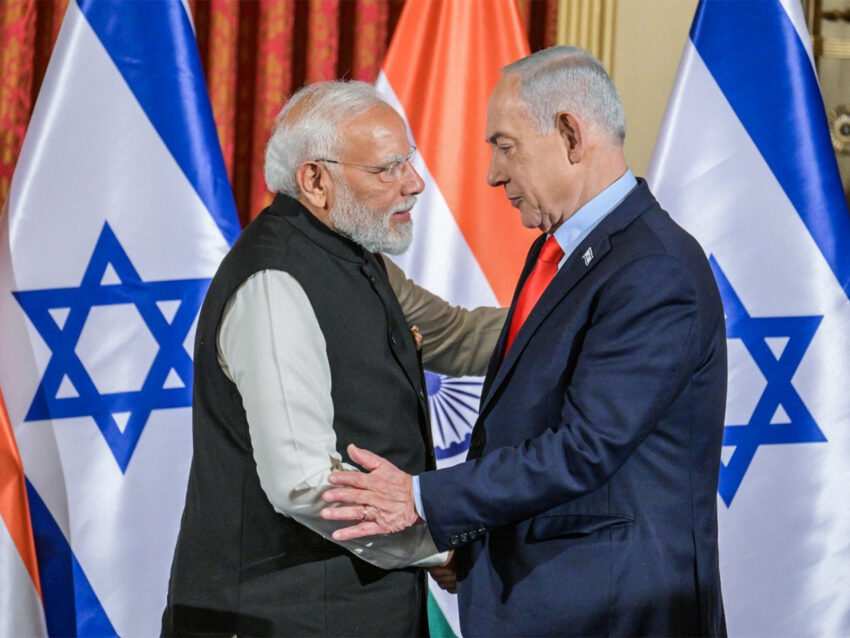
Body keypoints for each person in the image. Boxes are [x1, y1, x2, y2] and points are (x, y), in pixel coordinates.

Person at [322, 46, 728, 637]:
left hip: (614, 613)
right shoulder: (559, 252)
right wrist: (471, 541)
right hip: (551, 601)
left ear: (570, 135)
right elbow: (526, 425)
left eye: (505, 146)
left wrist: (421, 498)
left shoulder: (654, 271)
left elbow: (584, 448)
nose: (493, 173)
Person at [162, 80, 505, 636]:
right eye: (387, 169)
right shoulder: (274, 281)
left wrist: (585, 315)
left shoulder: (356, 257)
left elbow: (461, 335)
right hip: (278, 617)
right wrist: (435, 544)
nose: (415, 184)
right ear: (315, 180)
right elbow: (305, 483)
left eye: (409, 161)